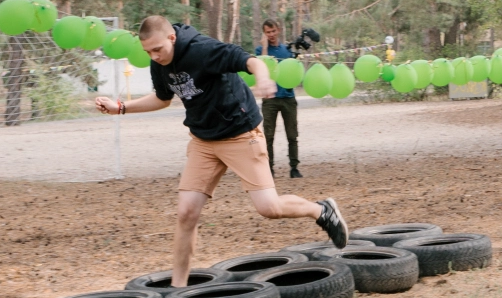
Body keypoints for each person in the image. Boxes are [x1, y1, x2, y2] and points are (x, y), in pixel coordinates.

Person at [92, 15, 350, 283]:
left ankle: (321, 211)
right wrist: (121, 107)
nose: (154, 56)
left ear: (172, 38)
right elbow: (162, 98)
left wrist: (262, 79)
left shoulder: (203, 49)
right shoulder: (159, 61)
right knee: (186, 213)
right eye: (148, 52)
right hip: (204, 140)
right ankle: (178, 288)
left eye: (157, 49)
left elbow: (250, 61)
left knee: (269, 208)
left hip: (240, 133)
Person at [255, 20, 302, 178]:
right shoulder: (260, 50)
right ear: (264, 34)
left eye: (273, 31)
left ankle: (294, 167)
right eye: (268, 32)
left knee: (292, 135)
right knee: (268, 136)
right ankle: (269, 168)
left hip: (288, 98)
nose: (271, 35)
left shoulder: (287, 50)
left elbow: (294, 72)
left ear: (278, 30)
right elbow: (262, 67)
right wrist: (265, 48)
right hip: (270, 99)